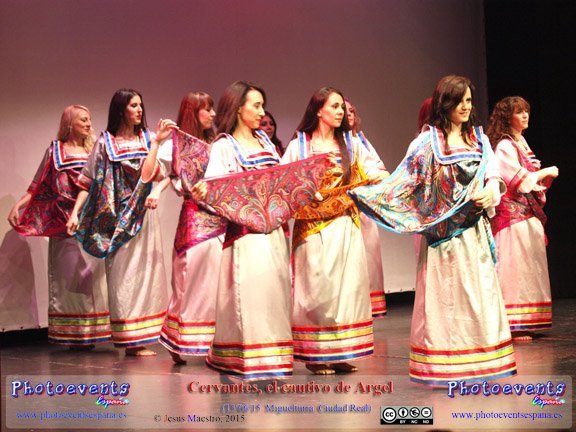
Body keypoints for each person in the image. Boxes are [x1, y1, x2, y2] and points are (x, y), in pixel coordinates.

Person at [349, 75, 517, 386]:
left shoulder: (479, 141)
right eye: (459, 100)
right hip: (443, 240)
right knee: (446, 298)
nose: (466, 107)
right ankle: (448, 365)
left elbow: (494, 176)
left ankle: (483, 363)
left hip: (474, 235)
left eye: (469, 101)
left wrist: (491, 191)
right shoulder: (426, 144)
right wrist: (367, 196)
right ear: (445, 103)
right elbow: (403, 184)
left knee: (479, 295)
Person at [283, 87, 389, 375]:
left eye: (342, 106)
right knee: (317, 289)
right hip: (313, 227)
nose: (341, 111)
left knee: (346, 289)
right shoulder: (300, 145)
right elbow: (285, 180)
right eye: (334, 106)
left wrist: (382, 178)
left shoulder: (351, 143)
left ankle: (341, 351)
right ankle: (316, 355)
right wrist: (305, 190)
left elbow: (373, 170)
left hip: (345, 223)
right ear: (318, 110)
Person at [193, 81, 293, 380]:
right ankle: (250, 359)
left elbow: (280, 179)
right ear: (238, 109)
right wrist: (206, 191)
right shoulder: (225, 146)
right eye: (256, 106)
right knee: (252, 297)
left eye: (263, 106)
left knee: (274, 296)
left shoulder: (265, 142)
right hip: (246, 235)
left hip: (274, 233)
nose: (262, 112)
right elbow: (215, 188)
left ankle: (274, 359)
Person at [66, 89, 176, 356]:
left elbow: (153, 176)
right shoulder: (105, 143)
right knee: (121, 277)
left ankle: (141, 338)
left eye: (140, 105)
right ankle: (128, 338)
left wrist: (156, 144)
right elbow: (87, 183)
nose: (139, 110)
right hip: (115, 219)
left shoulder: (148, 139)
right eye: (133, 105)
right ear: (120, 110)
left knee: (145, 274)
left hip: (143, 216)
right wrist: (75, 213)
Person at [8, 105, 110, 349]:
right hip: (64, 223)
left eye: (89, 119)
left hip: (90, 223)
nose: (88, 124)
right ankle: (73, 334)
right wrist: (20, 205)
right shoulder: (55, 151)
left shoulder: (95, 151)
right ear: (69, 124)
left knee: (91, 280)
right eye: (83, 119)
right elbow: (39, 185)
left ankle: (92, 332)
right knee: (68, 280)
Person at [156, 92, 227, 364]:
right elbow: (150, 175)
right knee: (189, 279)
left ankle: (213, 342)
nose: (213, 115)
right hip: (195, 218)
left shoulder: (219, 144)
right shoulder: (174, 145)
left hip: (220, 217)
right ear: (193, 113)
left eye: (213, 109)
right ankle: (179, 339)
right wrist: (155, 143)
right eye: (207, 110)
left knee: (216, 281)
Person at [486, 96, 558, 341]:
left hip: (527, 214)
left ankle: (528, 320)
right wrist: (544, 172)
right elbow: (519, 180)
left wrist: (541, 178)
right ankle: (514, 325)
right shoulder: (505, 146)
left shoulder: (520, 142)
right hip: (512, 217)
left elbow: (531, 181)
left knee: (529, 268)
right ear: (508, 117)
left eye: (526, 110)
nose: (525, 115)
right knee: (515, 268)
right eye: (519, 112)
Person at [345, 99, 388, 319]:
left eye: (351, 110)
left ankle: (369, 307)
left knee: (369, 258)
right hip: (342, 211)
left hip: (363, 208)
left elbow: (377, 168)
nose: (348, 114)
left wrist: (378, 178)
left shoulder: (360, 140)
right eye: (342, 110)